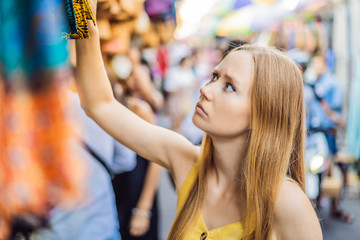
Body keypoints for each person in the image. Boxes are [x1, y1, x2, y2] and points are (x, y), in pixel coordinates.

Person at [74, 1, 322, 239]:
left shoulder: (286, 202)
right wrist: (81, 12)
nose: (206, 89)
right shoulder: (186, 160)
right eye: (215, 76)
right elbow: (99, 104)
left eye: (229, 87)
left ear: (263, 113)